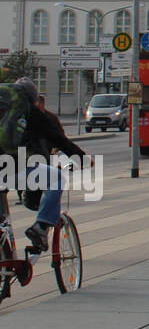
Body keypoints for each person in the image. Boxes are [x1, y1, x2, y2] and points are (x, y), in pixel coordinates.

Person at [3, 77, 91, 254]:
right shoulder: (29, 112)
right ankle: (41, 226)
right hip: (15, 168)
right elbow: (57, 138)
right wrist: (81, 158)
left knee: (2, 221)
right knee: (56, 178)